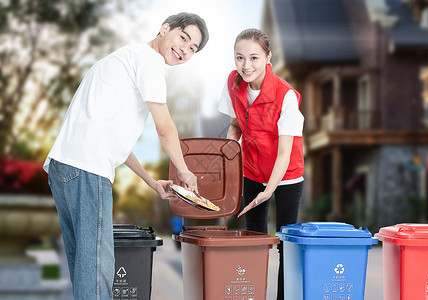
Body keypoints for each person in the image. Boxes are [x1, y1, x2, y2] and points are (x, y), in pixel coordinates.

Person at [43, 12, 208, 299]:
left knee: (84, 267)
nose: (185, 50)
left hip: (64, 167)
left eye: (193, 48)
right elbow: (165, 128)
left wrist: (151, 181)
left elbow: (116, 140)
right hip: (87, 169)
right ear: (164, 28)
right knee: (97, 270)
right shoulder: (149, 61)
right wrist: (184, 170)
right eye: (183, 38)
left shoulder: (125, 58)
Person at [218, 28, 304, 300]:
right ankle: (253, 294)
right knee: (253, 240)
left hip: (286, 176)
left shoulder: (285, 96)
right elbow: (234, 126)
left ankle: (283, 297)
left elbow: (284, 153)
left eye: (254, 58)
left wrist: (269, 191)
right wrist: (230, 155)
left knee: (285, 243)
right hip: (253, 170)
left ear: (268, 57)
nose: (246, 66)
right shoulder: (233, 83)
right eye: (239, 58)